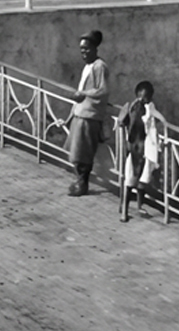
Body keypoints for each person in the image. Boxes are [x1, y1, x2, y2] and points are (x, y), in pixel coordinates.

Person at [62, 30, 108, 197]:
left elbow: (102, 91)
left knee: (84, 153)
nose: (84, 53)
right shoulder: (87, 67)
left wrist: (84, 95)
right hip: (80, 114)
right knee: (76, 151)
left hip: (89, 116)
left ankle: (83, 184)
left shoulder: (99, 66)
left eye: (87, 49)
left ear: (95, 48)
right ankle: (79, 181)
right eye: (82, 50)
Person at [118, 80, 166, 222]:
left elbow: (157, 119)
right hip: (134, 149)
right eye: (141, 97)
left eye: (145, 97)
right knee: (129, 181)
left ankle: (139, 206)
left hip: (145, 149)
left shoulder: (149, 107)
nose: (143, 100)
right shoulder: (132, 107)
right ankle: (124, 210)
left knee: (142, 181)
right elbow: (123, 122)